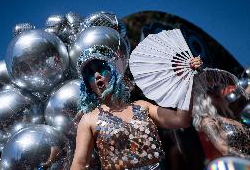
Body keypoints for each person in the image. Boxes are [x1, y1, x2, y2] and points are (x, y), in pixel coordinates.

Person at [70, 45, 203, 170]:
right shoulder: (88, 120)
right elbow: (79, 164)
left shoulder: (142, 106)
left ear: (113, 71)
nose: (97, 75)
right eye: (90, 74)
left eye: (101, 67)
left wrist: (187, 77)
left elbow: (181, 120)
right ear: (88, 86)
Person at [192, 94, 250, 159]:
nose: (217, 91)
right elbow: (223, 148)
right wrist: (246, 159)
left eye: (217, 87)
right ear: (203, 100)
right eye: (211, 91)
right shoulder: (207, 122)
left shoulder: (224, 113)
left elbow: (244, 97)